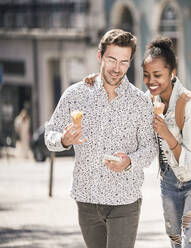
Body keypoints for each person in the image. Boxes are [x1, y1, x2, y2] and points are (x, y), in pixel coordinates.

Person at [85, 37, 191, 248]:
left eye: (158, 75)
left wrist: (166, 133)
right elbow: (124, 93)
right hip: (169, 182)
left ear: (172, 73)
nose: (151, 81)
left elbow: (190, 162)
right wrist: (97, 79)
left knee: (190, 244)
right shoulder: (149, 100)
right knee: (176, 243)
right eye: (146, 75)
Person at [44, 29, 157, 248]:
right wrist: (64, 140)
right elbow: (50, 135)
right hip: (86, 198)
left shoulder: (139, 102)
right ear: (99, 56)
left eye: (124, 62)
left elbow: (150, 148)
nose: (117, 68)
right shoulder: (75, 94)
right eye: (111, 60)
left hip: (124, 201)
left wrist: (129, 162)